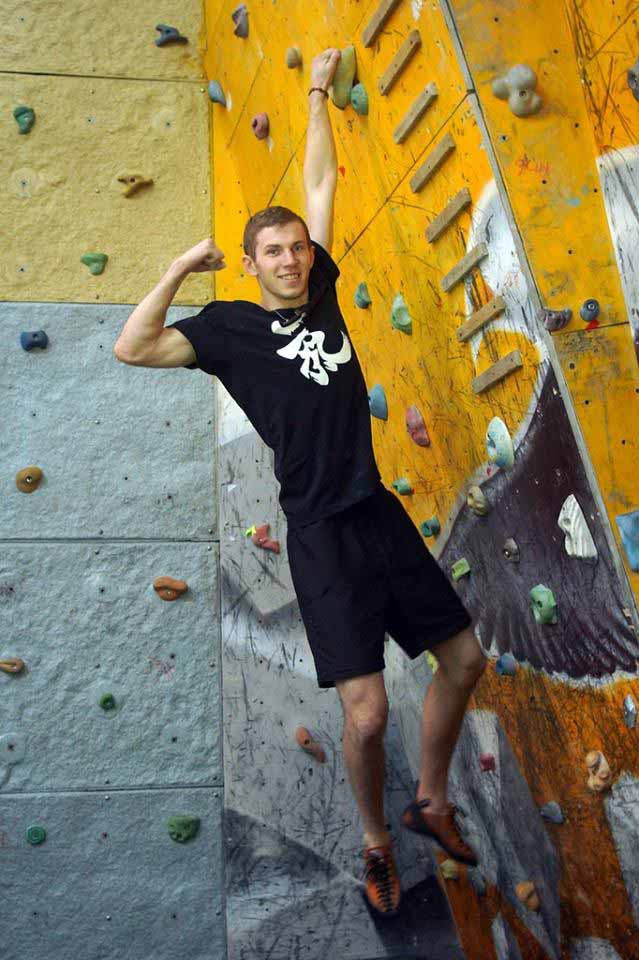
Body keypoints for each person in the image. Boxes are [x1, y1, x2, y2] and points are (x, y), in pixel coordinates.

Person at [114, 48, 486, 919]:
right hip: (321, 533)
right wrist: (178, 269)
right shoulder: (227, 329)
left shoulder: (321, 293)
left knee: (466, 661)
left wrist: (317, 92)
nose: (289, 259)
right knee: (366, 717)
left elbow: (319, 181)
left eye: (296, 248)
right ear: (251, 264)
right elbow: (133, 347)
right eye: (273, 252)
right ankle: (376, 840)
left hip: (377, 513)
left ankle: (429, 801)